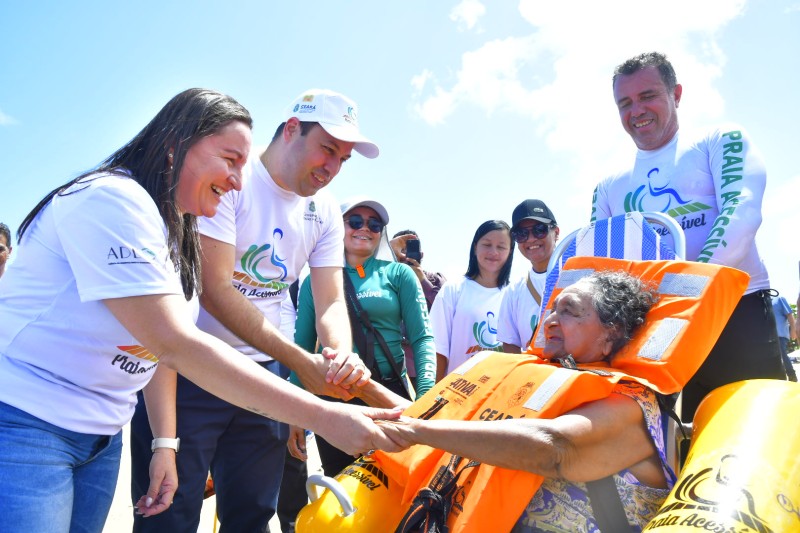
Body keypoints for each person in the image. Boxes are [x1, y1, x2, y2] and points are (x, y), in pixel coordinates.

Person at [0, 88, 404, 533]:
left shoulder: (172, 228)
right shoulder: (114, 201)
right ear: (177, 146)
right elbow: (175, 341)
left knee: (249, 517)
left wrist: (164, 441)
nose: (237, 179)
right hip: (30, 421)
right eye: (230, 160)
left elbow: (153, 348)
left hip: (101, 432)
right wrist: (320, 411)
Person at [129, 89, 383, 533]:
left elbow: (331, 300)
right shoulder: (230, 180)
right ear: (290, 130)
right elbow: (216, 289)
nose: (331, 168)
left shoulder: (323, 210)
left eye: (343, 159)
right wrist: (299, 362)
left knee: (251, 518)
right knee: (168, 518)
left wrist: (340, 353)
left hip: (265, 378)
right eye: (327, 149)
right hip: (193, 371)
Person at [379, 270, 671, 532]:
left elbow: (554, 447)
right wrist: (363, 388)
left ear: (613, 329)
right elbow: (451, 423)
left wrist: (409, 430)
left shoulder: (631, 401)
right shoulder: (537, 378)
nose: (551, 320)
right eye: (553, 309)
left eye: (569, 311)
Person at [590, 51, 786, 423]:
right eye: (625, 103)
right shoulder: (608, 186)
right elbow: (599, 268)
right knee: (673, 448)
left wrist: (685, 295)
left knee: (759, 434)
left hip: (733, 312)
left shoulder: (718, 140)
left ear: (676, 94)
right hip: (651, 330)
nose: (637, 111)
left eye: (648, 96)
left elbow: (740, 214)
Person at [291, 197, 436, 476]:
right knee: (343, 487)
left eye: (374, 224)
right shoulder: (316, 280)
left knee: (398, 487)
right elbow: (304, 347)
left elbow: (423, 338)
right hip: (335, 400)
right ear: (338, 227)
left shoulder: (399, 274)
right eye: (355, 221)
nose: (365, 229)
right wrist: (296, 412)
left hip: (388, 394)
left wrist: (426, 395)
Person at [429, 220, 514, 381]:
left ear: (510, 251)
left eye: (501, 247)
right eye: (487, 244)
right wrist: (435, 398)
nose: (493, 252)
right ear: (475, 247)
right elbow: (438, 349)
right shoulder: (453, 289)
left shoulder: (515, 294)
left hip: (500, 392)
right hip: (457, 391)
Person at [498, 199, 559, 353]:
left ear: (556, 232)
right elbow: (511, 348)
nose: (531, 239)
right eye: (521, 234)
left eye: (539, 229)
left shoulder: (579, 276)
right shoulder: (513, 292)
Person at [390, 229, 446, 389]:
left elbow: (447, 309)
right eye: (401, 250)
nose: (406, 255)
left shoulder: (435, 279)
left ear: (421, 255)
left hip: (425, 366)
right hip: (393, 365)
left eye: (411, 249)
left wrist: (422, 281)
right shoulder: (384, 280)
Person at [771, 293, 797, 381]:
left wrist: (793, 330)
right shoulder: (762, 302)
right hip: (768, 336)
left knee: (782, 355)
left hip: (780, 335)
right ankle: (778, 378)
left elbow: (789, 315)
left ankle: (792, 376)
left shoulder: (779, 299)